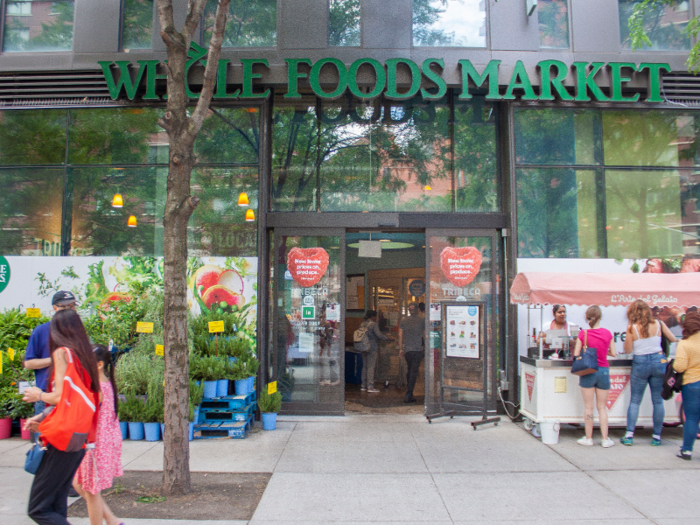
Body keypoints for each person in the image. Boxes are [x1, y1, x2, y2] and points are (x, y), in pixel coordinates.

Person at [22, 308, 101, 525]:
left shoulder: (62, 353)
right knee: (56, 504)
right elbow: (78, 397)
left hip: (61, 437)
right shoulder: (85, 355)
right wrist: (44, 415)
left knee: (38, 509)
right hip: (79, 436)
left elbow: (59, 396)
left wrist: (38, 394)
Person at [73, 345, 124, 525]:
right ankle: (112, 520)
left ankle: (109, 520)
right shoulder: (106, 385)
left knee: (91, 490)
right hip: (101, 442)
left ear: (99, 365)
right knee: (81, 485)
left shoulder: (98, 389)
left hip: (97, 444)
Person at [621, 300, 677, 446]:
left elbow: (628, 350)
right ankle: (657, 437)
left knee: (635, 401)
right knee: (658, 401)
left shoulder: (632, 328)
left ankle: (629, 435)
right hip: (659, 361)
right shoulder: (659, 324)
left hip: (640, 363)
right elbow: (673, 338)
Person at [24, 291, 79, 417]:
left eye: (72, 306)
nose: (69, 310)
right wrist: (56, 360)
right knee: (44, 435)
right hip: (46, 396)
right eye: (64, 307)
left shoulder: (78, 331)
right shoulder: (41, 331)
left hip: (74, 395)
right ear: (55, 308)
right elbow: (28, 363)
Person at [573, 305, 617, 448]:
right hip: (603, 371)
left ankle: (588, 437)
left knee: (589, 407)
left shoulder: (583, 334)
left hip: (588, 372)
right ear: (600, 317)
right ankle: (605, 439)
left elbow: (576, 354)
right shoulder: (607, 333)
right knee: (602, 407)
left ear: (587, 318)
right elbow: (614, 353)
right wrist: (604, 352)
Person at [673, 312, 700, 460]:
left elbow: (680, 367)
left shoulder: (685, 343)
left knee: (692, 418)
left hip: (692, 384)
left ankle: (687, 451)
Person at [360, 310, 392, 393]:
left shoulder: (362, 324)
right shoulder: (373, 324)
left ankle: (363, 385)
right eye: (375, 316)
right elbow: (379, 335)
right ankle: (370, 386)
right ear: (373, 316)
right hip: (372, 347)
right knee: (371, 367)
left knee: (364, 366)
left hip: (363, 347)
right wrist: (387, 338)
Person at [399, 303, 425, 403]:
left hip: (408, 350)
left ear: (409, 310)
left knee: (410, 370)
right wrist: (425, 346)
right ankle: (409, 393)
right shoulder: (422, 320)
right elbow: (424, 335)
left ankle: (409, 393)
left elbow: (400, 336)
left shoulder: (404, 321)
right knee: (414, 371)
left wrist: (401, 349)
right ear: (418, 310)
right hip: (417, 349)